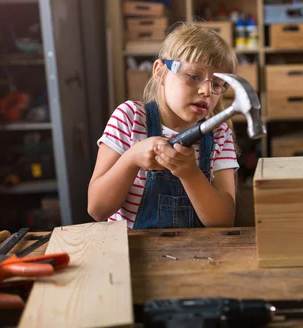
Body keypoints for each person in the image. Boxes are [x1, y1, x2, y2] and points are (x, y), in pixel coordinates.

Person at [88, 24, 239, 229]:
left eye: (217, 84)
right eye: (194, 76)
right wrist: (131, 159)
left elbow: (224, 221)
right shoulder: (129, 118)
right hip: (131, 254)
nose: (206, 90)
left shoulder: (219, 134)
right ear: (160, 72)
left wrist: (191, 175)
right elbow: (97, 209)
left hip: (199, 257)